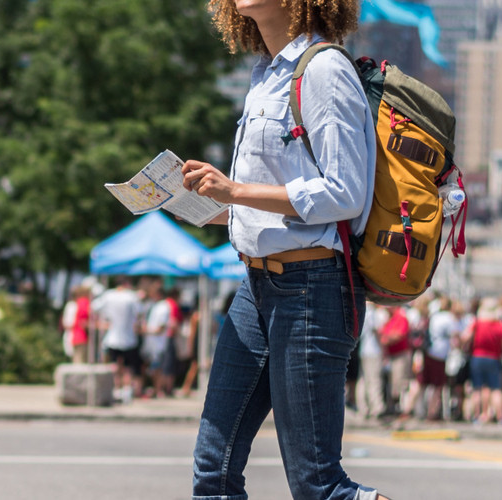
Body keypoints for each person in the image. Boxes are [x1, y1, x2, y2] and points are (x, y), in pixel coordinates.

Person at [186, 1, 383, 497]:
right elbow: (271, 198)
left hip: (312, 288)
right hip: (256, 286)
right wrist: (208, 205)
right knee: (213, 471)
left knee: (319, 486)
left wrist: (234, 192)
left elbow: (344, 193)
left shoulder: (325, 69)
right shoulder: (265, 77)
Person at [406, 298, 458, 422]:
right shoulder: (448, 318)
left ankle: (407, 409)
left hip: (425, 352)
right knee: (437, 386)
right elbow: (455, 336)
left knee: (420, 382)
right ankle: (432, 412)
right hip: (439, 355)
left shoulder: (431, 316)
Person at [93, 278, 143, 402]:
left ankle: (116, 389)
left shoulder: (108, 295)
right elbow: (140, 313)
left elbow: (94, 307)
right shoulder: (131, 296)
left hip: (112, 337)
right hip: (129, 337)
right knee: (127, 367)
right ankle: (126, 391)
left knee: (115, 366)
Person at [466, 299, 502, 425]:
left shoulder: (477, 323)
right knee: (495, 389)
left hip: (477, 356)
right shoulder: (500, 325)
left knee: (477, 389)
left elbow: (466, 337)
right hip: (494, 358)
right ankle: (501, 417)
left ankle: (477, 416)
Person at [142, 285, 181, 399]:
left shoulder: (163, 307)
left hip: (159, 343)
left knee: (159, 369)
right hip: (154, 343)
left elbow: (161, 328)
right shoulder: (156, 306)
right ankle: (157, 389)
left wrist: (146, 330)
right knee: (156, 368)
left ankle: (159, 389)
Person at [356, 305, 389, 423]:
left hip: (364, 349)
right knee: (374, 380)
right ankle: (377, 408)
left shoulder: (363, 310)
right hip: (373, 350)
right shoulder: (372, 313)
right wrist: (384, 348)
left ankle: (362, 408)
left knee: (363, 380)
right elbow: (377, 332)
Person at [60, 284, 93, 364]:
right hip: (78, 337)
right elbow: (69, 324)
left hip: (77, 337)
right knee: (79, 361)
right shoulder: (78, 305)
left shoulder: (73, 305)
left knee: (78, 360)